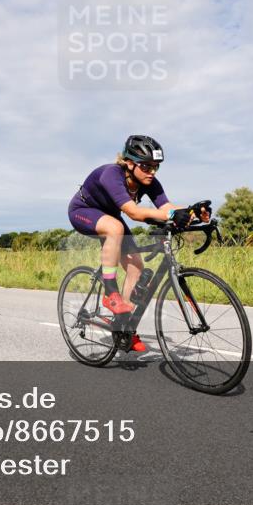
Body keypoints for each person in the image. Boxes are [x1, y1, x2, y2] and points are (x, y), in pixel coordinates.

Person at [68, 135, 211, 352]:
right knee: (115, 228)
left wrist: (192, 212)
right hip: (83, 211)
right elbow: (134, 213)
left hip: (111, 217)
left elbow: (166, 208)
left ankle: (122, 326)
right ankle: (110, 292)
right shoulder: (111, 174)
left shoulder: (149, 182)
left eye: (156, 167)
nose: (152, 172)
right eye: (146, 166)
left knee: (136, 267)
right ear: (129, 162)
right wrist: (173, 214)